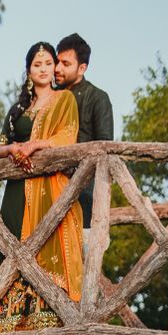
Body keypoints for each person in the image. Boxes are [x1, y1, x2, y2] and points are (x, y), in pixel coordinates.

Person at [0, 42, 84, 335]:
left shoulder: (65, 101)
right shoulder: (19, 108)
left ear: (54, 69)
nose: (43, 69)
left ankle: (48, 314)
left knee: (43, 243)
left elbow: (68, 136)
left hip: (49, 189)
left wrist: (36, 144)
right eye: (37, 65)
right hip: (16, 190)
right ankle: (2, 319)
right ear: (28, 71)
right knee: (10, 244)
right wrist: (15, 148)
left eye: (48, 64)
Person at [55, 32, 114, 227]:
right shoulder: (50, 98)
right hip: (50, 193)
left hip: (85, 196)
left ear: (82, 68)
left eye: (65, 64)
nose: (57, 68)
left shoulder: (97, 98)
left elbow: (106, 150)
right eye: (57, 62)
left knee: (85, 254)